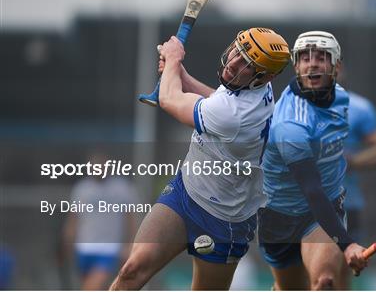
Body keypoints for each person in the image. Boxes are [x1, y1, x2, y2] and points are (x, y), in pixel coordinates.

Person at [110, 28, 290, 290]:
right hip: (185, 193)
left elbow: (170, 100)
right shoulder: (255, 87)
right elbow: (216, 99)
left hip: (223, 219)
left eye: (246, 64)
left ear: (265, 76)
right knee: (131, 269)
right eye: (237, 53)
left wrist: (173, 59)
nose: (233, 64)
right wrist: (180, 74)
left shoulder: (234, 116)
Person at [258, 31, 367, 290]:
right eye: (305, 58)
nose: (313, 63)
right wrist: (348, 244)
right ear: (296, 66)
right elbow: (311, 189)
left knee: (325, 282)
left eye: (321, 57)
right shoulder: (290, 124)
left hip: (321, 214)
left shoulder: (340, 97)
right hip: (280, 217)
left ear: (336, 66)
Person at [339, 70, 376, 288]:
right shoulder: (295, 105)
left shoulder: (360, 108)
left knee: (338, 276)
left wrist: (351, 162)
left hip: (347, 205)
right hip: (304, 205)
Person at [62, 152, 139, 290]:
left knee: (92, 287)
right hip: (84, 248)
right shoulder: (82, 189)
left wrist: (131, 245)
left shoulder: (121, 188)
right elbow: (73, 219)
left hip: (109, 249)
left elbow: (130, 220)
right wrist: (68, 242)